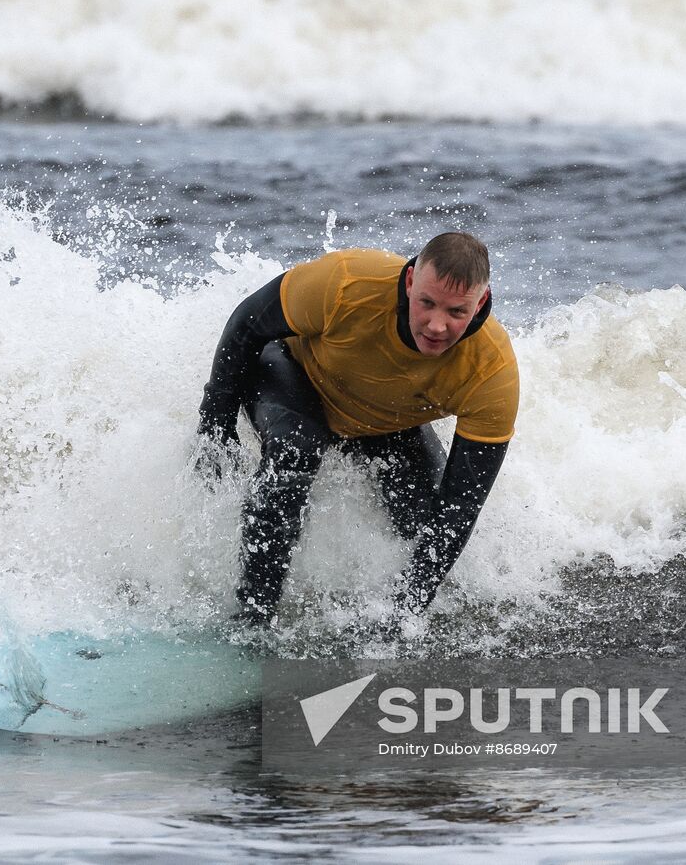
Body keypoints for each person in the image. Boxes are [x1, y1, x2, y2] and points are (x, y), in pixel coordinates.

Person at [196, 232, 519, 629]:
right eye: (427, 303)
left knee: (425, 524)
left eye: (456, 312)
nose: (437, 325)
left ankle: (390, 612)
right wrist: (215, 426)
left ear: (480, 303)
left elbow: (460, 507)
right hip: (294, 375)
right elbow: (247, 325)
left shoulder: (492, 371)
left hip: (385, 422)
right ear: (410, 282)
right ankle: (252, 615)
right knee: (296, 453)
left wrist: (407, 611)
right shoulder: (349, 283)